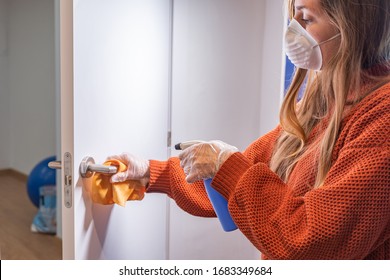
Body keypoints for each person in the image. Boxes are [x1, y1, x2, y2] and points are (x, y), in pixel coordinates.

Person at [108, 0, 390, 259]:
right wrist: (149, 172)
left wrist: (225, 165)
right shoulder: (323, 100)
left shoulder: (382, 119)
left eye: (305, 19)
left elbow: (309, 241)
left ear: (353, 25)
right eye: (294, 19)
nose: (293, 34)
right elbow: (241, 177)